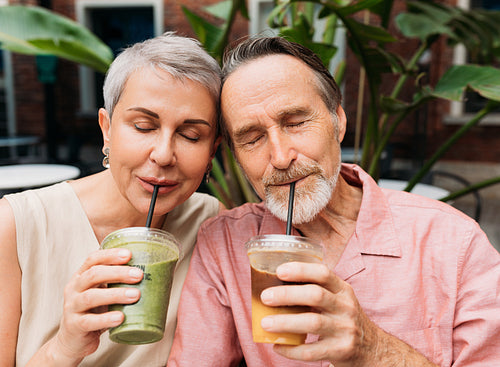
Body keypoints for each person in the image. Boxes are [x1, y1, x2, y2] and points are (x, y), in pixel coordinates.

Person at [168, 36, 500, 366]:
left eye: (296, 123)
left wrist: (376, 350)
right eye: (252, 138)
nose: (281, 158)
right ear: (237, 158)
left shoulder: (453, 242)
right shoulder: (224, 246)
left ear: (337, 121)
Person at [0, 32, 224, 366]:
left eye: (191, 135)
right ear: (107, 129)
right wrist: (64, 347)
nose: (163, 155)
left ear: (212, 151)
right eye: (143, 126)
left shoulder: (210, 223)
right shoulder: (16, 226)